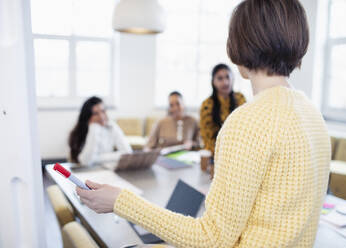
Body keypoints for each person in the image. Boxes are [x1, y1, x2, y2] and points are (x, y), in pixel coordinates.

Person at [76, 0, 331, 247]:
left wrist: (122, 201)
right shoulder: (313, 115)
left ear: (240, 45)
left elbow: (210, 239)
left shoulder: (248, 122)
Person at [69, 96, 132, 166]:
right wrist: (93, 129)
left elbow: (127, 153)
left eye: (103, 111)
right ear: (87, 116)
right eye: (95, 114)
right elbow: (85, 161)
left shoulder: (111, 126)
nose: (101, 116)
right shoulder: (79, 133)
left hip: (106, 169)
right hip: (85, 172)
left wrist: (98, 158)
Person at [200, 63, 246, 154]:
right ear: (213, 81)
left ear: (232, 78)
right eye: (220, 78)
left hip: (239, 151)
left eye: (227, 77)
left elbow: (245, 130)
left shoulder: (240, 99)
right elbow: (207, 137)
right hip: (215, 153)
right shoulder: (207, 105)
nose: (225, 82)